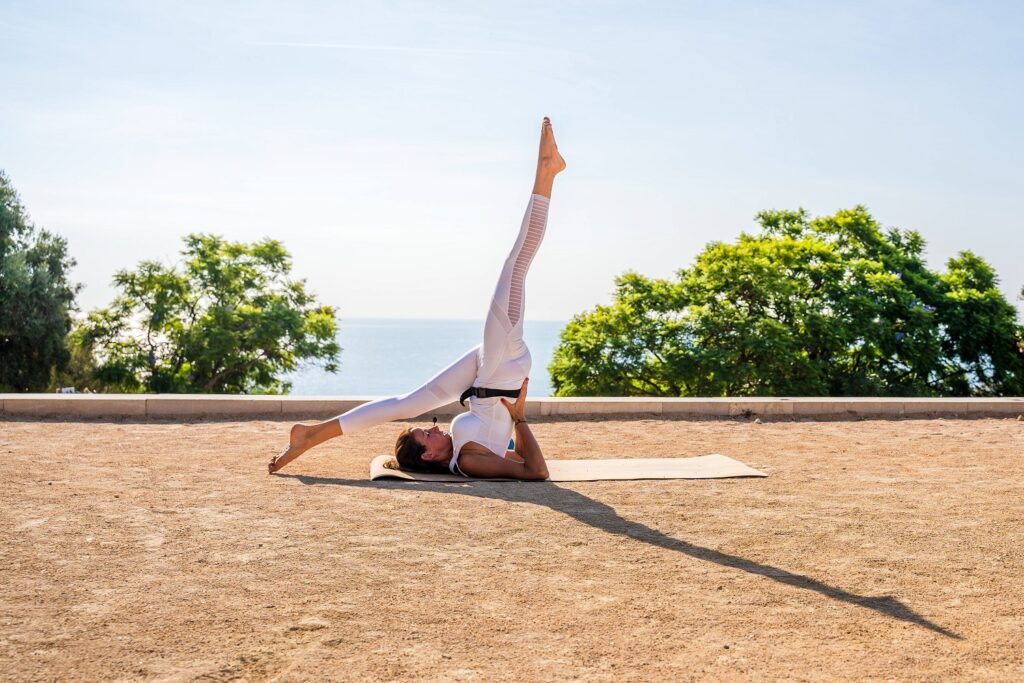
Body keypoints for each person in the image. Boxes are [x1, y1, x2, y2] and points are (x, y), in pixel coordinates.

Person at [268, 117, 566, 479]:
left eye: (427, 430)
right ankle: (546, 174)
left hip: (485, 374)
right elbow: (536, 471)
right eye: (428, 435)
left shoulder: (459, 450)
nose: (435, 428)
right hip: (502, 369)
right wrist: (520, 420)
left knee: (406, 403)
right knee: (515, 265)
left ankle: (312, 435)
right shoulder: (468, 462)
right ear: (428, 457)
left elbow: (509, 453)